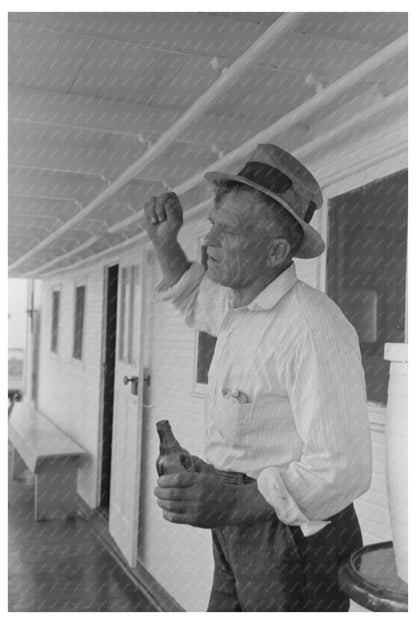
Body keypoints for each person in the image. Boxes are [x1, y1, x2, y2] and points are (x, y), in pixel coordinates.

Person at [142, 144, 372, 612]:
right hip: (239, 524)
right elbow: (192, 297)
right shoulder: (238, 305)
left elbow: (341, 468)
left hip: (293, 541)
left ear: (276, 250)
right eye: (212, 225)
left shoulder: (313, 329)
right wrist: (167, 244)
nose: (208, 242)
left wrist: (228, 502)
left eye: (227, 231)